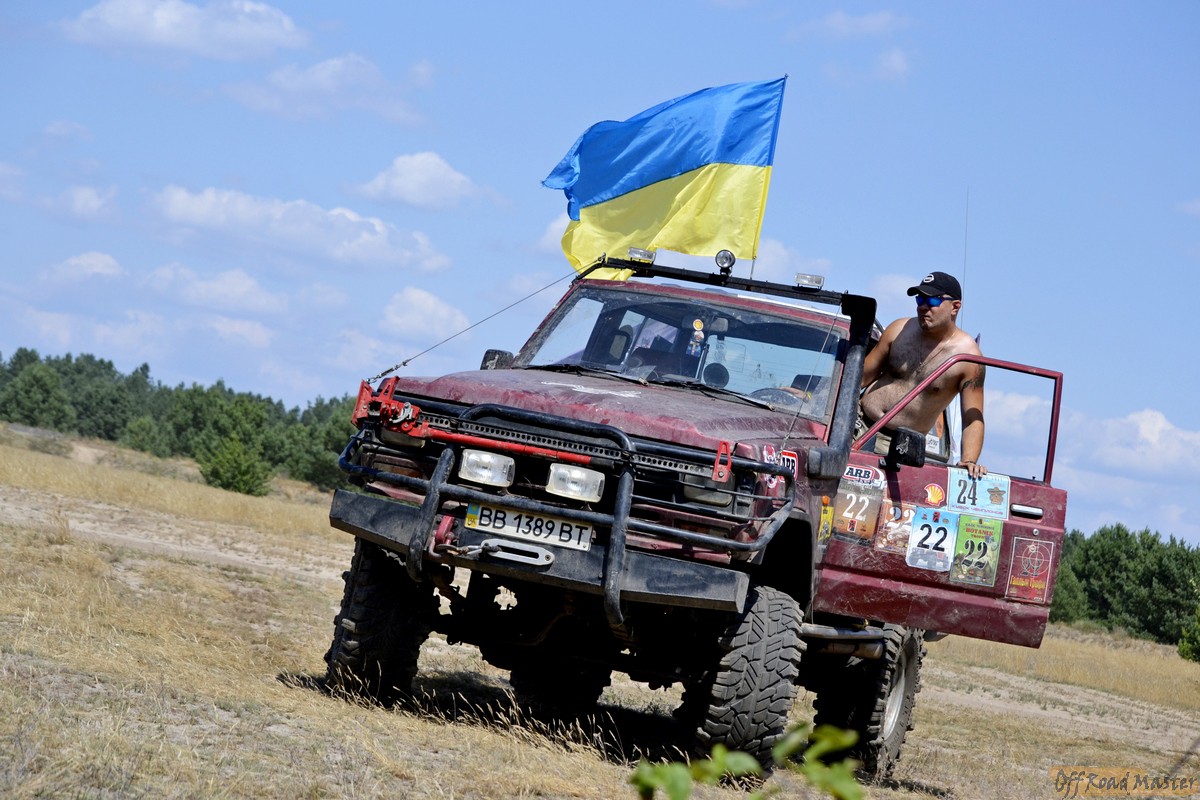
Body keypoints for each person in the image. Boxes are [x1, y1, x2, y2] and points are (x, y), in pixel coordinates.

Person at [859, 271, 987, 479]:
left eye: (933, 300)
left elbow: (972, 418)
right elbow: (860, 378)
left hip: (899, 446)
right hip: (858, 424)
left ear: (955, 307)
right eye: (920, 299)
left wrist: (969, 460)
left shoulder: (968, 358)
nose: (923, 306)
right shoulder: (898, 330)